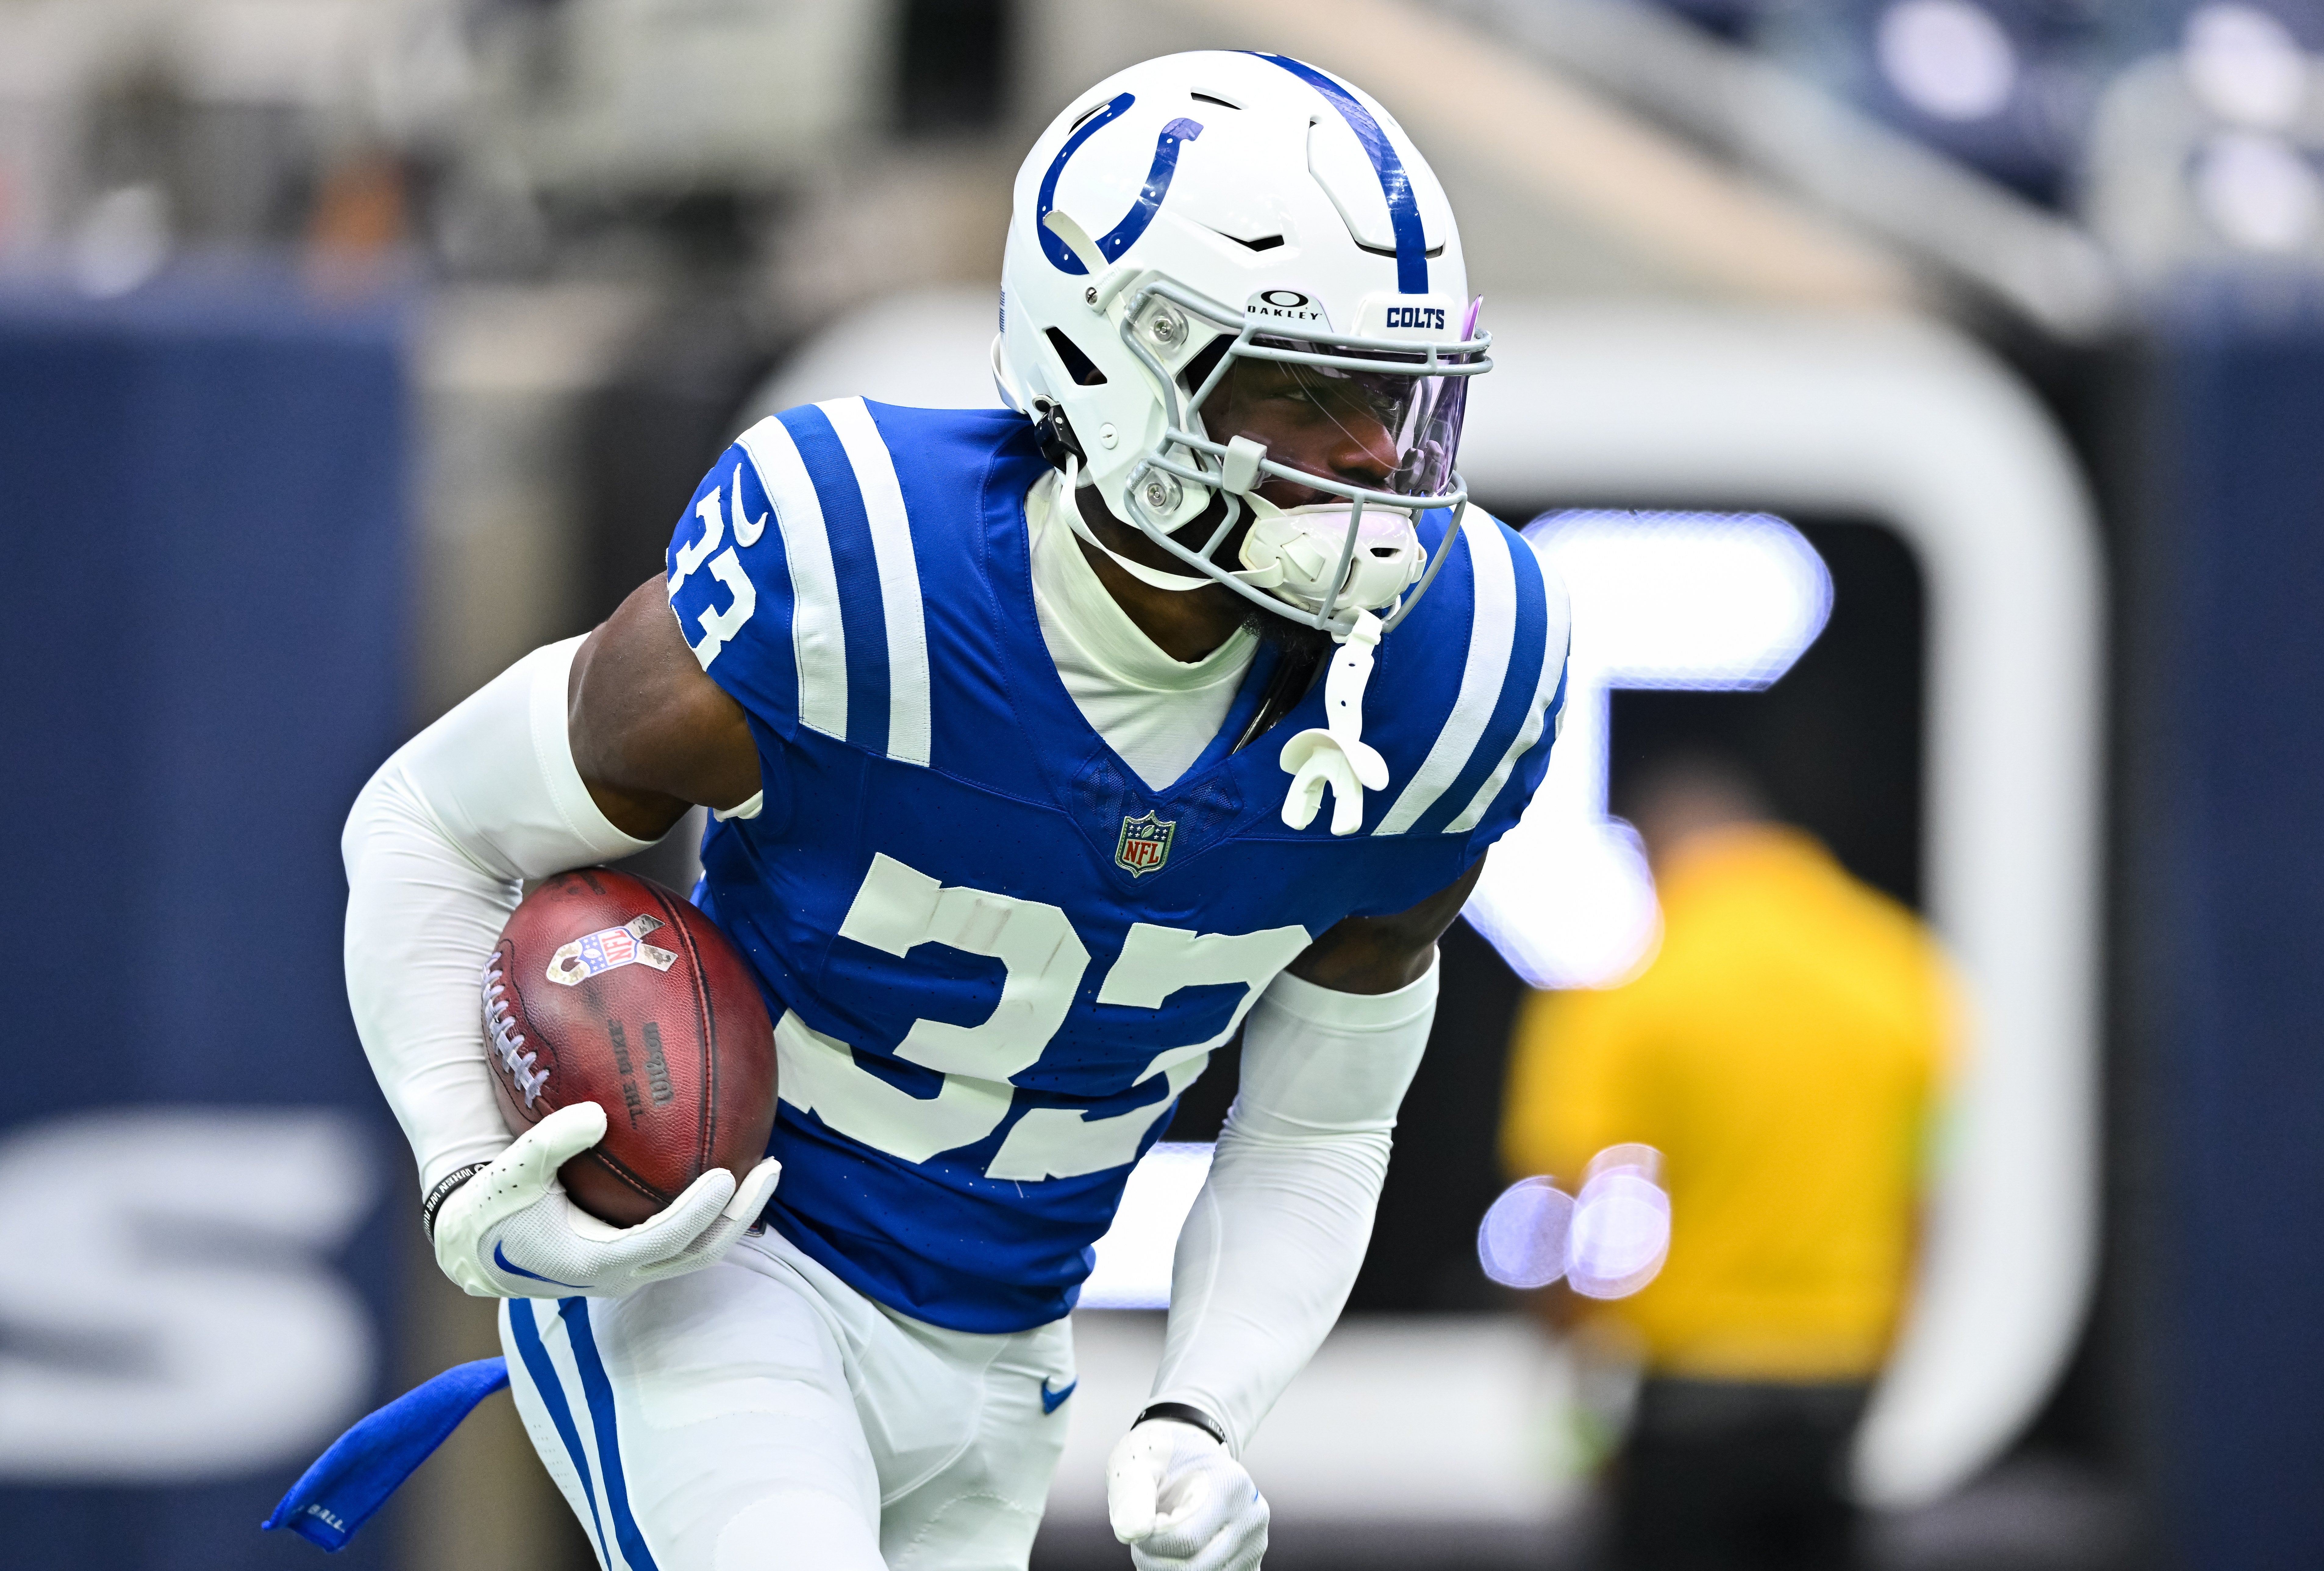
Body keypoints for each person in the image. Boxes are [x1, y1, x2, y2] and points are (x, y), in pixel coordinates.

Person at [340, 50, 1569, 1571]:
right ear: (1116, 362)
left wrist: (1201, 1408)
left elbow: (1321, 1120)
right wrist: (467, 1162)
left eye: (1396, 395)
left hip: (1010, 1350)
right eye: (1305, 390)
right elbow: (430, 827)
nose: (1380, 457)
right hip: (729, 1266)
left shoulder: (1455, 672)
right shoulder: (865, 573)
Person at [1499, 759, 1955, 1571]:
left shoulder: (1630, 986)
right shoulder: (1903, 972)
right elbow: (1920, 1198)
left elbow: (1562, 1199)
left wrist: (1571, 1379)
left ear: (1655, 856)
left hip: (1684, 1407)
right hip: (1838, 1393)